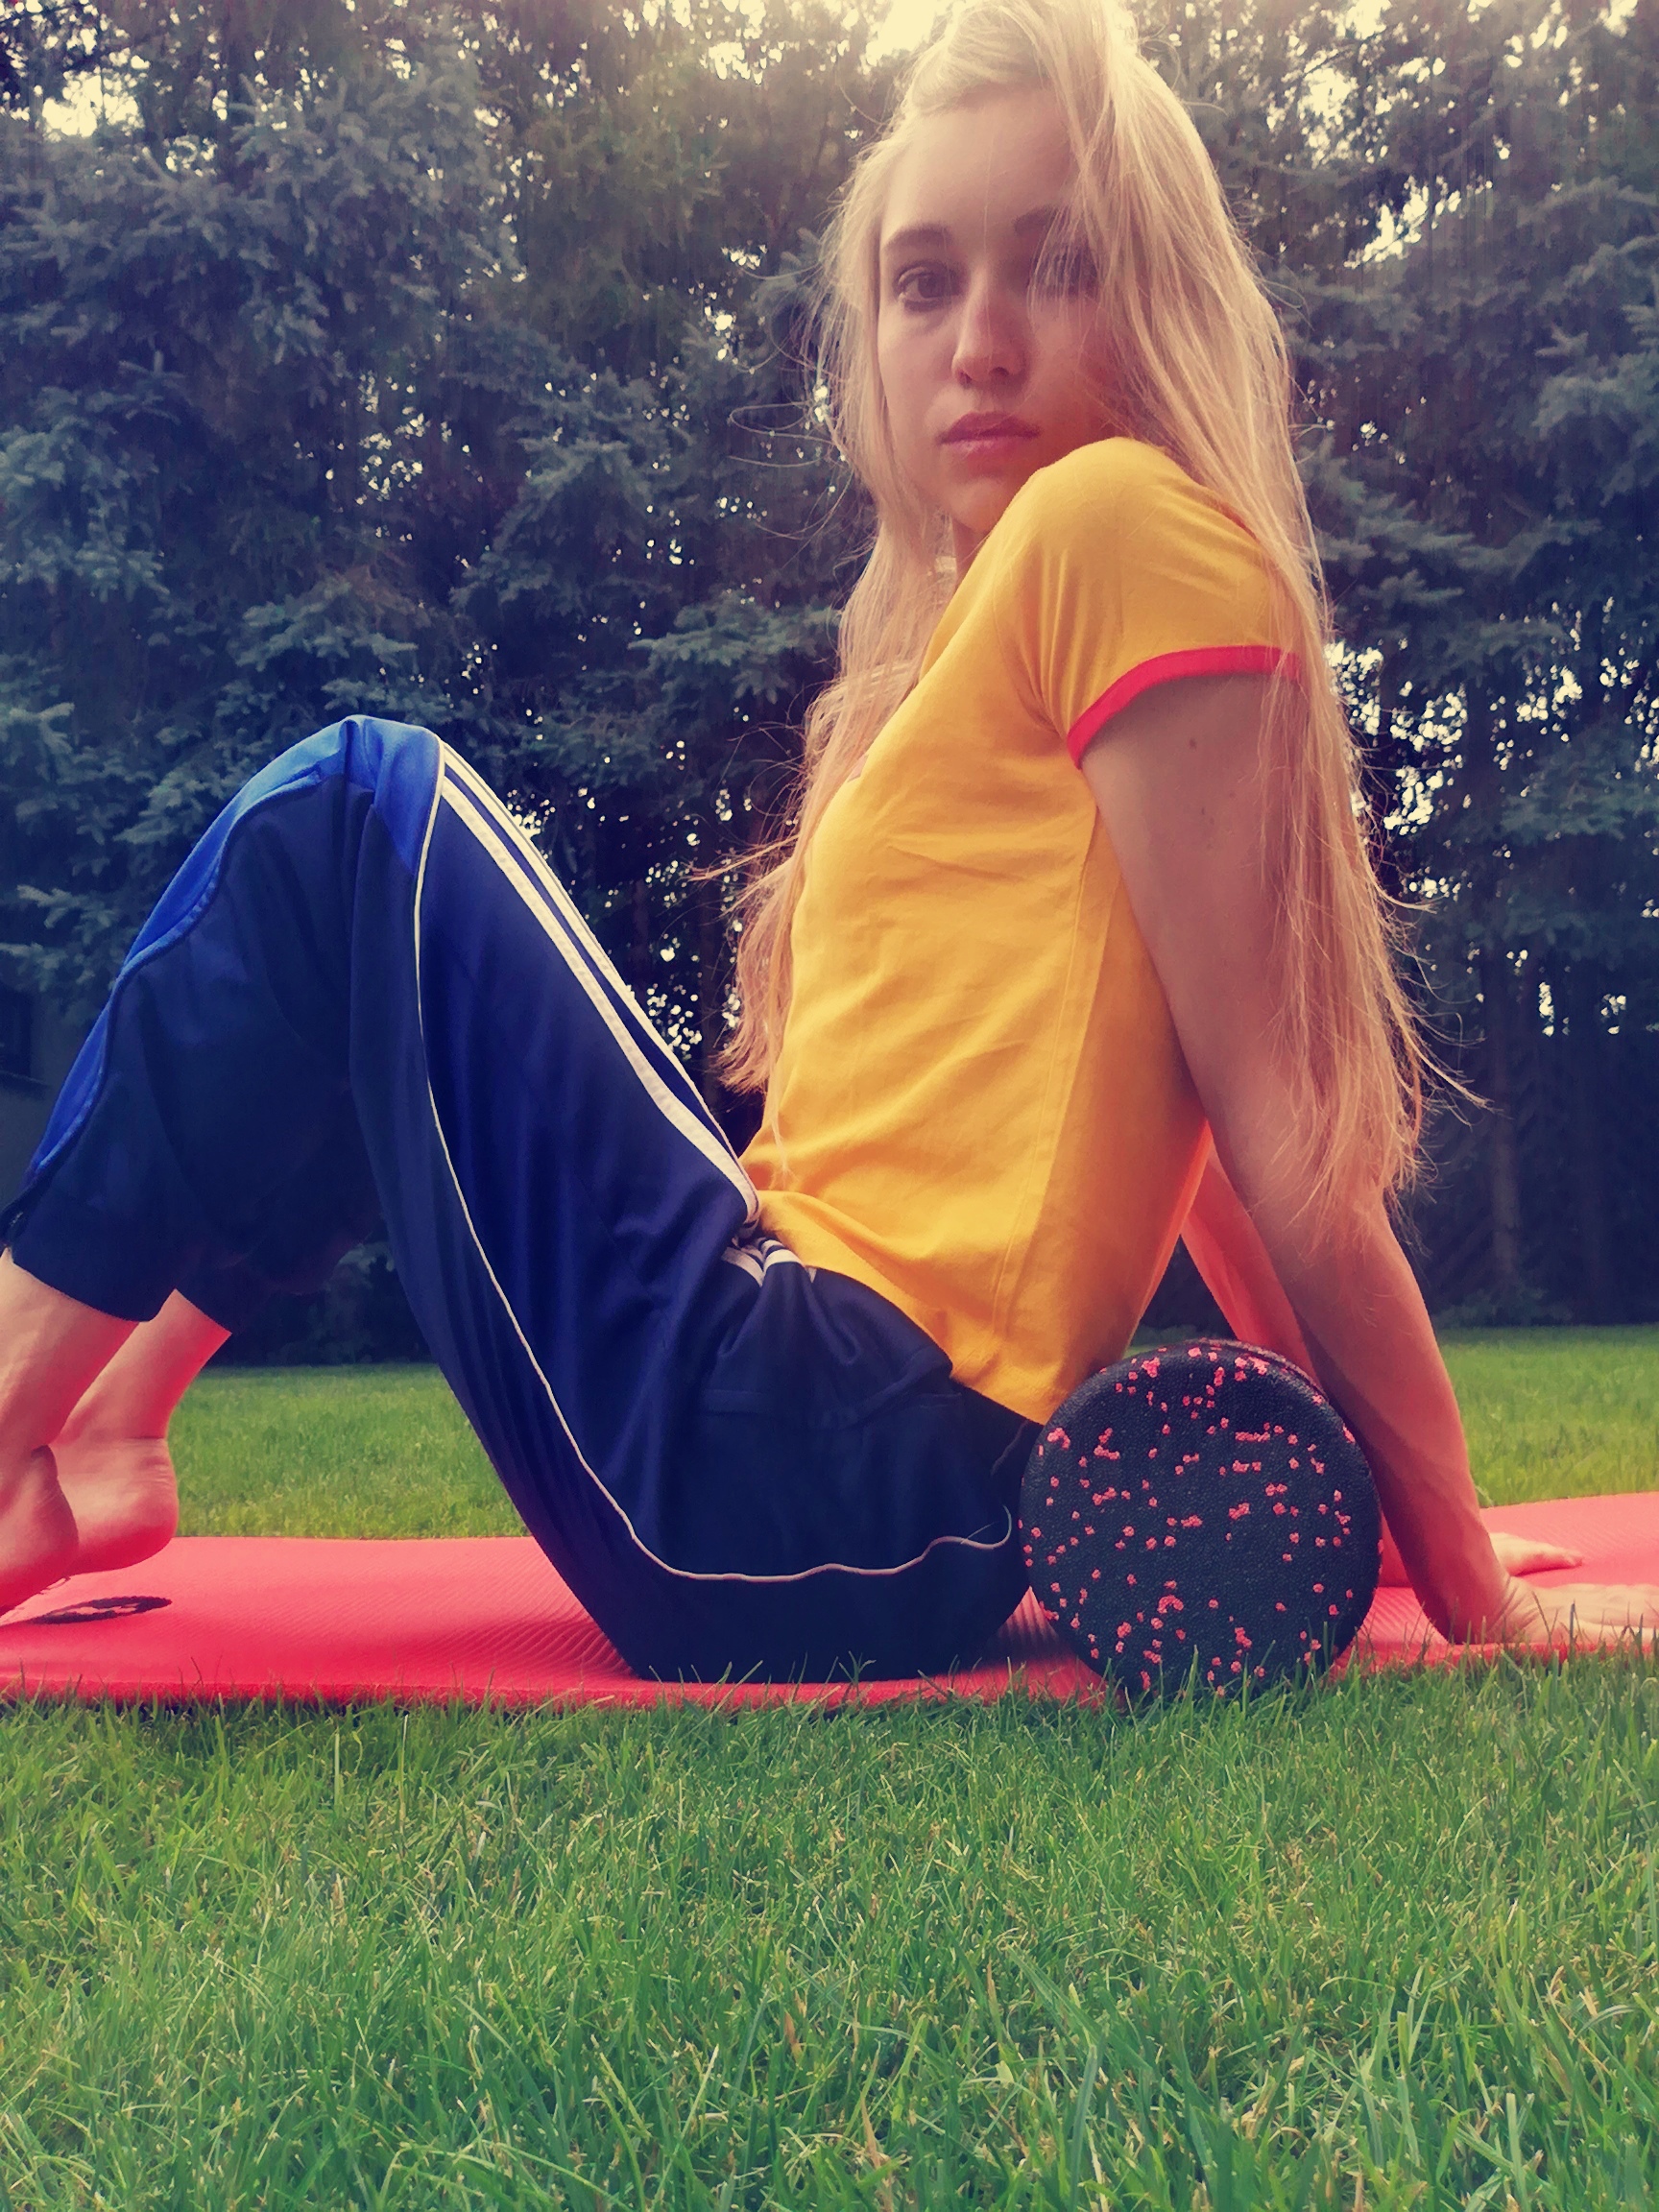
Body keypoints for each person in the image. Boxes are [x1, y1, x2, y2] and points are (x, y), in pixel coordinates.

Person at [1, 0, 1651, 1674]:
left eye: (1056, 265)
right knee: (375, 971)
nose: (979, 340)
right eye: (925, 282)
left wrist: (1466, 1579)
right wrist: (1380, 1512)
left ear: (1160, 295)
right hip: (825, 1470)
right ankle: (112, 1424)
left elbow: (1278, 1121)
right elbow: (1208, 1149)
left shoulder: (1120, 523)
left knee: (359, 809)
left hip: (822, 1449)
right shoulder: (991, 619)